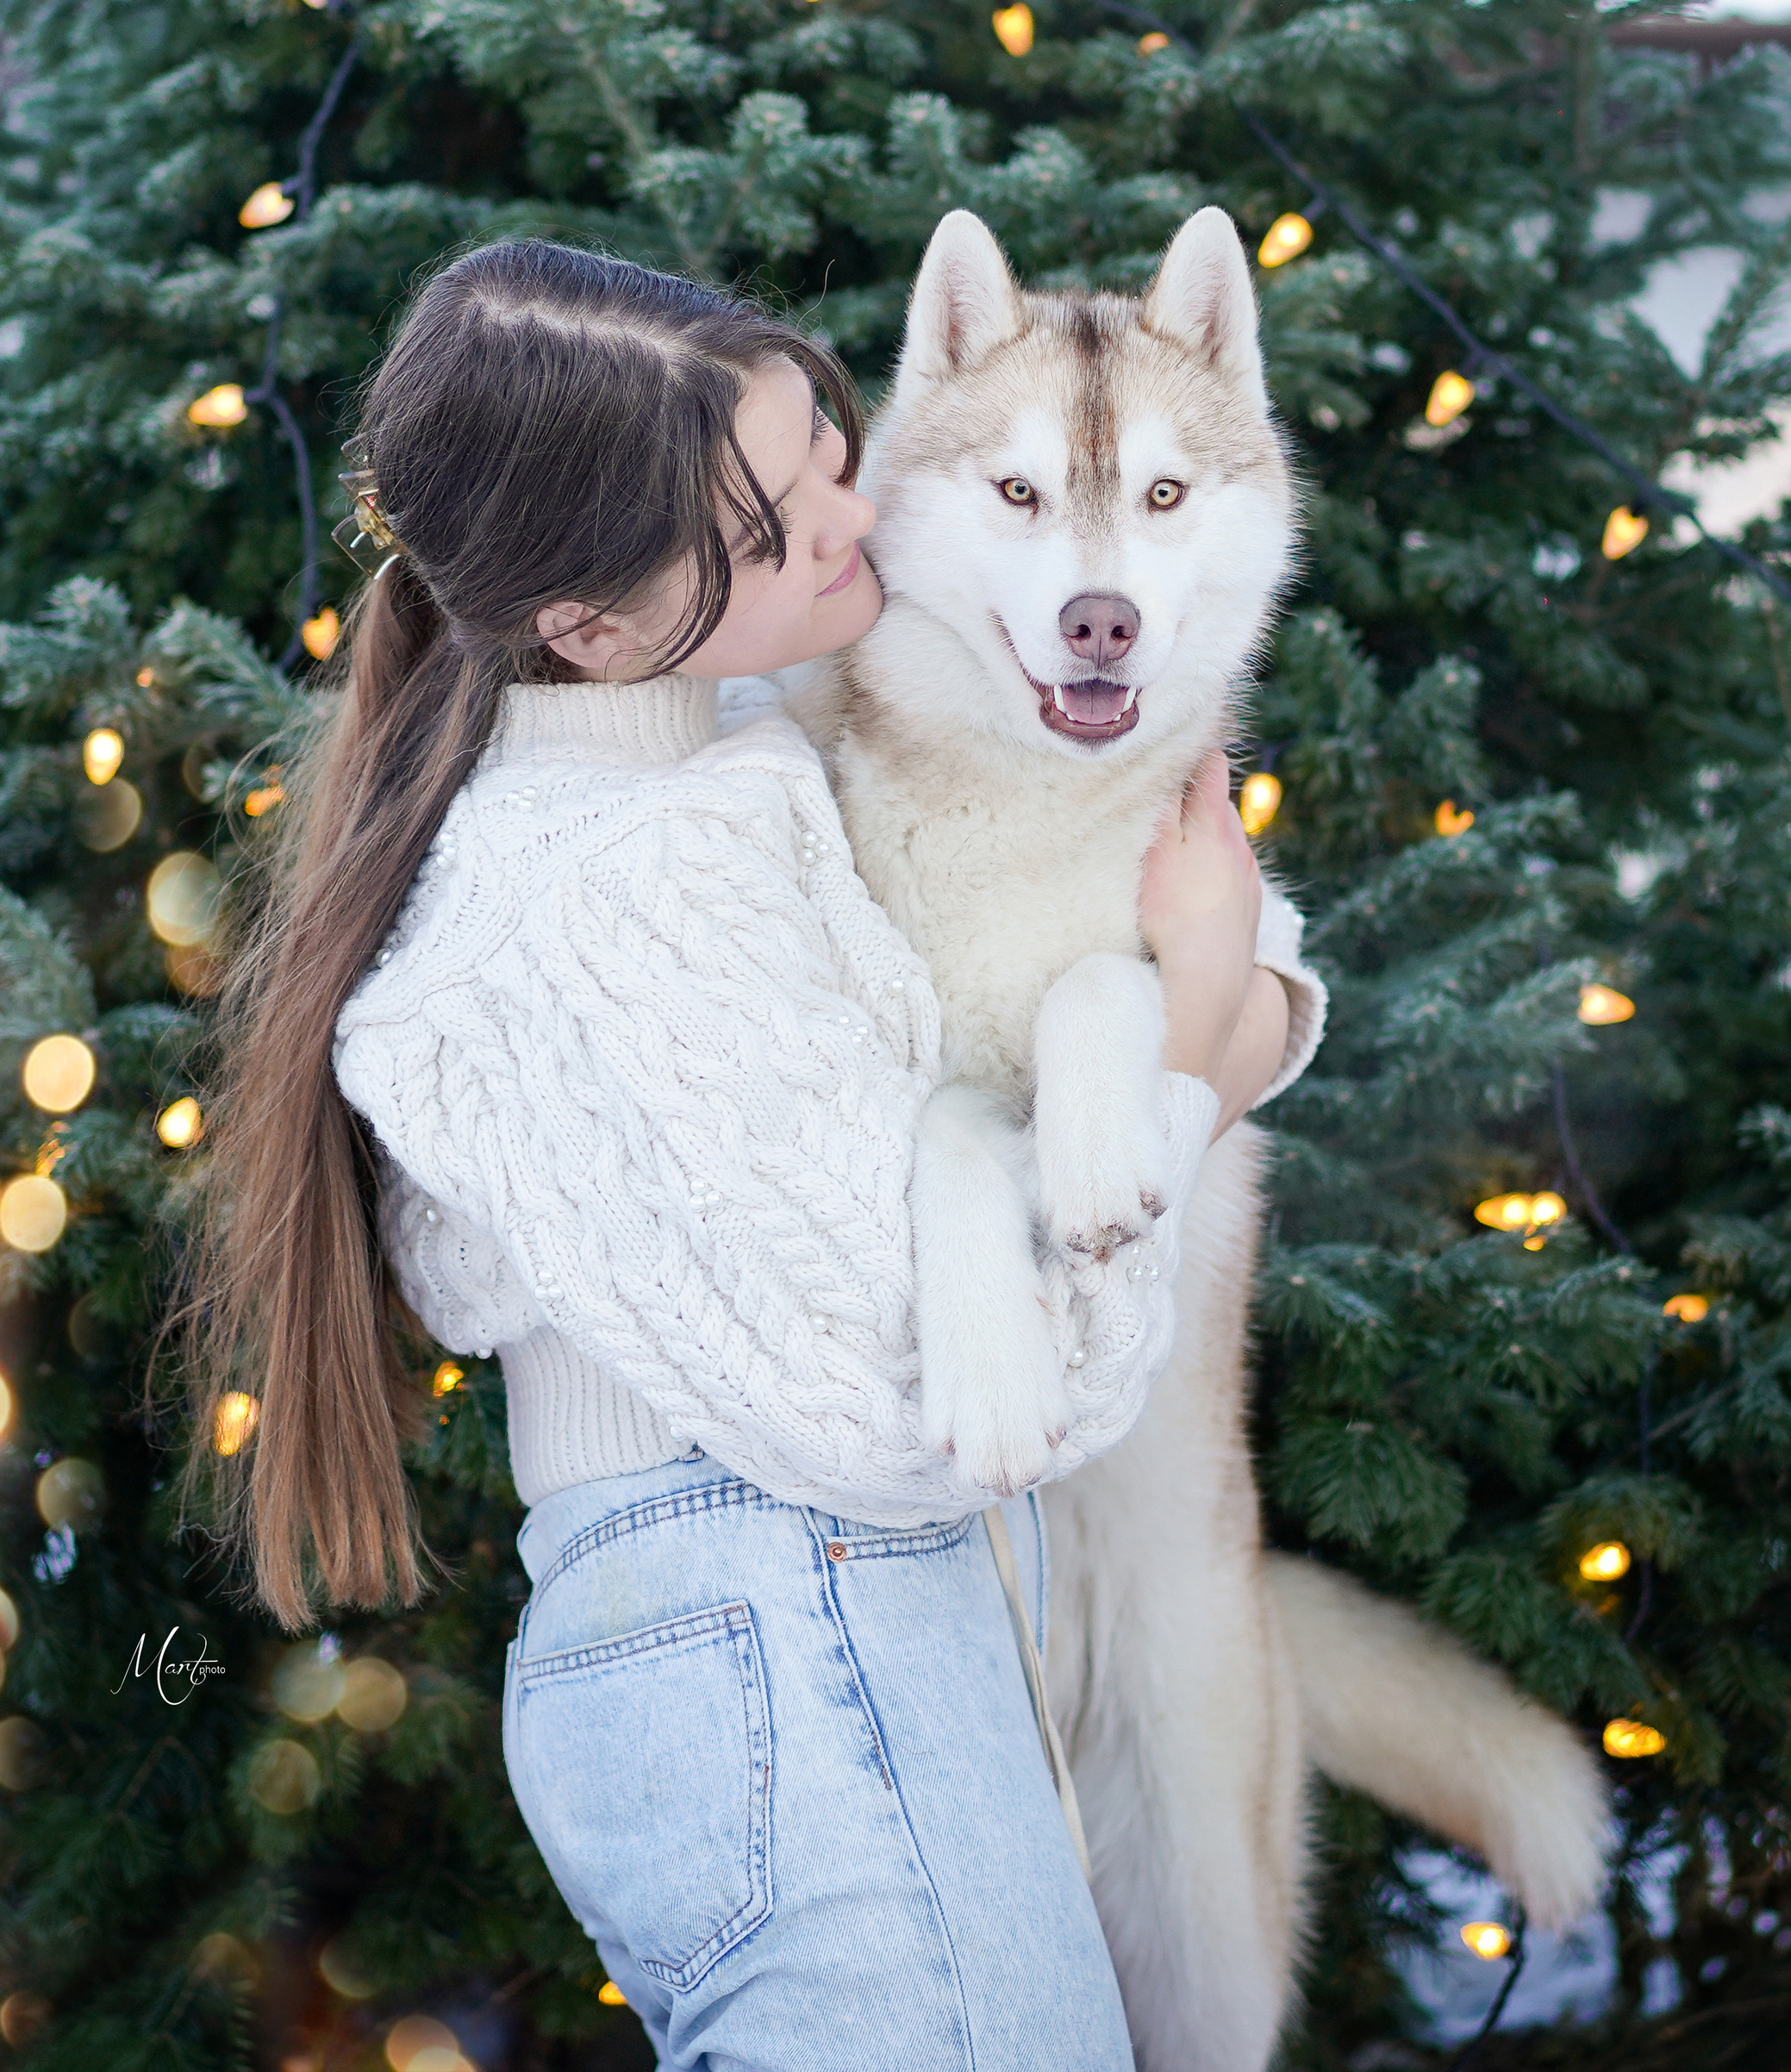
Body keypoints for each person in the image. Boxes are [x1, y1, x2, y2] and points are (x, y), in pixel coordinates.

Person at [169, 239, 1324, 2070]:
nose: (859, 522)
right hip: (794, 1614)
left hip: (752, 1628)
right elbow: (916, 1411)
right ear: (596, 622)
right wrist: (1188, 1040)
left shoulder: (709, 773)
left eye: (829, 456)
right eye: (783, 524)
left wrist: (1217, 1004)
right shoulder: (633, 873)